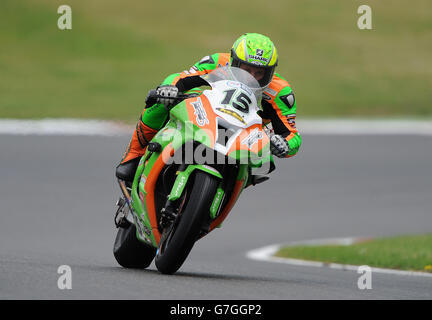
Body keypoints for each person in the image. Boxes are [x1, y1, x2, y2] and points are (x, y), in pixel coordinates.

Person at [116, 33, 302, 182]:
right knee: (160, 100)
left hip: (247, 135)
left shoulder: (281, 92)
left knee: (264, 165)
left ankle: (224, 192)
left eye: (259, 72)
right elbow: (180, 78)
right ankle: (134, 154)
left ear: (270, 72)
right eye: (246, 69)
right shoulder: (217, 62)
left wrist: (284, 144)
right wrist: (170, 89)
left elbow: (291, 134)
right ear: (234, 61)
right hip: (210, 115)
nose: (252, 76)